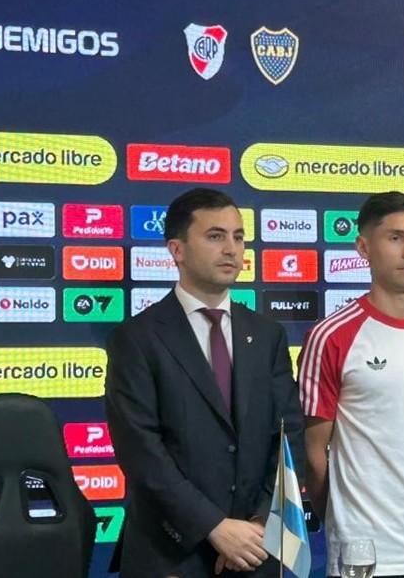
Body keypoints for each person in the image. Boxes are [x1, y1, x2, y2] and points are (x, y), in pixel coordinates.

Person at [105, 188, 304, 577]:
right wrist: (215, 528)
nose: (232, 249)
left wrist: (260, 523)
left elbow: (288, 435)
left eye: (238, 237)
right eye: (215, 236)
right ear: (177, 250)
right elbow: (141, 452)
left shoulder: (268, 335)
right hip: (172, 555)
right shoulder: (136, 339)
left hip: (257, 551)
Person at [298, 192, 404, 578]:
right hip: (365, 552)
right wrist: (343, 525)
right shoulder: (331, 336)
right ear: (364, 247)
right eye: (395, 238)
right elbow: (314, 456)